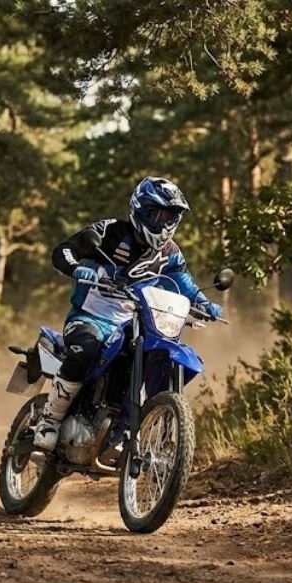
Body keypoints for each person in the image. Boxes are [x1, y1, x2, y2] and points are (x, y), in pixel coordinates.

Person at [33, 176, 223, 451]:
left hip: (135, 323)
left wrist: (205, 304)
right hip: (90, 317)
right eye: (156, 213)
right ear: (139, 210)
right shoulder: (111, 231)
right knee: (85, 350)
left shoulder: (170, 253)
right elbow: (64, 251)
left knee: (146, 357)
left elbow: (185, 284)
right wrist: (77, 268)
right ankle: (50, 420)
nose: (162, 222)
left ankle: (123, 427)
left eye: (169, 216)